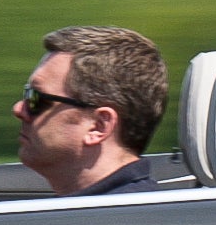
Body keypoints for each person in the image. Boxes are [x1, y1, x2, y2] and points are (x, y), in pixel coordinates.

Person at [13, 24, 168, 196]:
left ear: (98, 126)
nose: (19, 109)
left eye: (37, 99)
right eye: (28, 93)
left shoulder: (121, 219)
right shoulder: (93, 213)